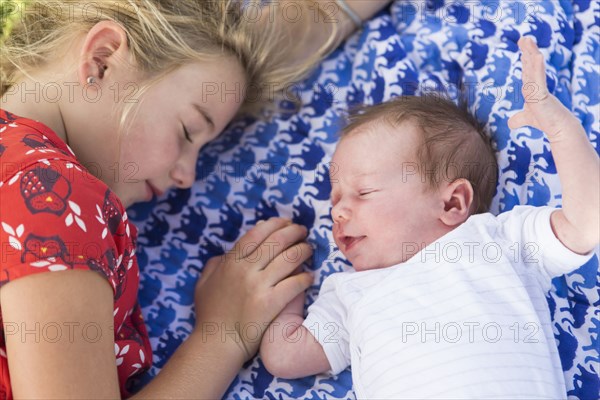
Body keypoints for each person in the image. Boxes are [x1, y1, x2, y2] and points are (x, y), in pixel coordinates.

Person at [0, 0, 392, 398]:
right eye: (188, 132)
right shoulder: (52, 193)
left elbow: (289, 34)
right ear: (102, 59)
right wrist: (224, 333)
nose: (187, 176)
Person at [259, 37, 599, 399]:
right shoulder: (350, 293)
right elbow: (286, 355)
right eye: (336, 198)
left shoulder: (498, 241)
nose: (338, 211)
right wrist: (288, 283)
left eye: (364, 193)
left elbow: (585, 223)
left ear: (452, 204)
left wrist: (560, 129)